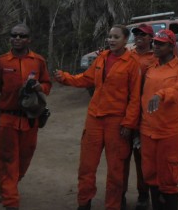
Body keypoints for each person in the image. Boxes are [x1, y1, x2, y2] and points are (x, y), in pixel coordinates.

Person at [54, 24, 142, 210]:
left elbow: (135, 97)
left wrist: (129, 123)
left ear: (125, 40)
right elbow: (86, 79)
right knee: (86, 166)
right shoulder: (102, 58)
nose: (111, 40)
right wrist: (65, 78)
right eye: (110, 36)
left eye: (116, 37)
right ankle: (84, 202)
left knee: (116, 170)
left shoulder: (132, 63)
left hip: (116, 122)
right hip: (94, 118)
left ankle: (113, 205)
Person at [0, 23, 52, 210]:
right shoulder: (2, 62)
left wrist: (39, 88)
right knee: (8, 159)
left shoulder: (38, 61)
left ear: (29, 39)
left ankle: (9, 187)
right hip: (7, 119)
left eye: (22, 36)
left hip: (31, 119)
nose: (17, 38)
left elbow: (47, 84)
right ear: (10, 38)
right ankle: (11, 201)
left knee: (25, 158)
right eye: (14, 35)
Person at [140, 29, 178, 210]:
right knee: (150, 173)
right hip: (147, 130)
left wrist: (161, 94)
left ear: (171, 46)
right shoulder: (150, 67)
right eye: (155, 42)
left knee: (169, 175)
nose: (156, 46)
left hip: (169, 131)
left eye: (160, 44)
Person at [123, 23, 157, 210]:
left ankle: (143, 195)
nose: (139, 37)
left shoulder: (156, 57)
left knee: (142, 157)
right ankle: (119, 194)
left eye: (143, 35)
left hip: (145, 114)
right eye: (136, 34)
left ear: (151, 38)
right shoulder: (128, 54)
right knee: (121, 156)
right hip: (125, 111)